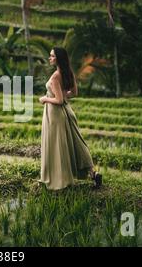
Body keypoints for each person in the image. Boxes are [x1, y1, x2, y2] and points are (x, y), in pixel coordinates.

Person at [38, 47, 102, 190]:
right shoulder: (68, 73)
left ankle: (60, 179)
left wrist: (45, 99)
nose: (50, 58)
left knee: (58, 146)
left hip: (56, 114)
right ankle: (93, 173)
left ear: (58, 58)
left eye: (52, 56)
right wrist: (62, 94)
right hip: (67, 112)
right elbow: (74, 92)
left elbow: (58, 100)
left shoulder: (55, 76)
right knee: (76, 143)